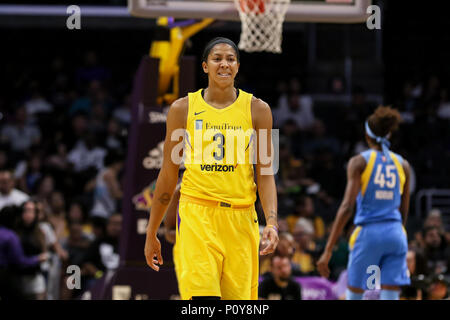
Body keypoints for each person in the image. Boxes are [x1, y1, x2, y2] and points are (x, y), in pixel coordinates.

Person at [144, 37, 279, 300]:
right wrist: (152, 232)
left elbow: (265, 173)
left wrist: (272, 222)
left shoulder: (259, 110)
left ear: (238, 66)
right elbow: (168, 175)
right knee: (203, 303)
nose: (224, 64)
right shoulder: (181, 109)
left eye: (230, 59)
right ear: (205, 66)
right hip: (198, 215)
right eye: (217, 58)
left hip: (241, 219)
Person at [317, 106, 412, 300]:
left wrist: (328, 250)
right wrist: (394, 235)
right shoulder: (403, 164)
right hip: (396, 234)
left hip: (369, 234)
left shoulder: (360, 161)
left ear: (366, 136)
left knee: (357, 292)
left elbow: (346, 208)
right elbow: (404, 210)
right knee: (390, 294)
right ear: (389, 134)